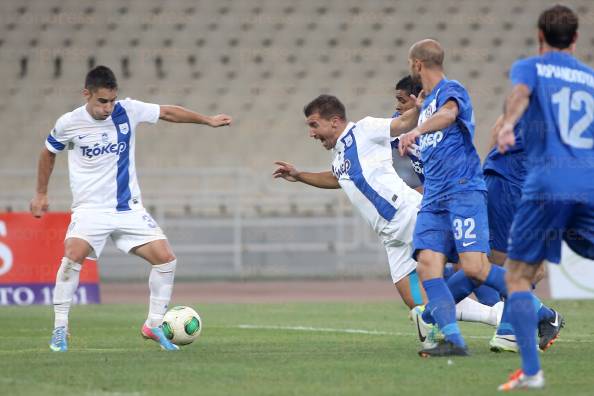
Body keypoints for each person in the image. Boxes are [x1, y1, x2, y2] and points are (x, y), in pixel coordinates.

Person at [273, 95, 502, 350]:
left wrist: (418, 109)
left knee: (470, 267)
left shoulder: (365, 129)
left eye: (314, 125)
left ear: (335, 121)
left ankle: (527, 312)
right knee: (419, 301)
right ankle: (499, 317)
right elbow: (337, 178)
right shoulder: (339, 157)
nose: (311, 133)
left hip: (408, 216)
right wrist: (300, 175)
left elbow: (402, 123)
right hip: (391, 237)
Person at [30, 65, 232, 352]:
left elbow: (167, 112)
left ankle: (153, 324)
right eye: (102, 101)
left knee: (166, 259)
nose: (109, 107)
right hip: (91, 209)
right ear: (87, 94)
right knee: (73, 255)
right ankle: (60, 329)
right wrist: (40, 193)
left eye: (112, 100)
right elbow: (48, 152)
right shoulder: (69, 123)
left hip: (128, 209)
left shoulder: (128, 110)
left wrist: (208, 120)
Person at [495, 5, 594, 390]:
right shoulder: (589, 78)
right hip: (588, 183)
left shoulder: (531, 67)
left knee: (517, 276)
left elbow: (520, 94)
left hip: (548, 183)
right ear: (575, 38)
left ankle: (532, 372)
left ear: (540, 35)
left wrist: (507, 124)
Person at [397, 39, 511, 357]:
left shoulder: (452, 89)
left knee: (474, 268)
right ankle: (451, 339)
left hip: (462, 189)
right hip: (434, 196)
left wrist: (415, 132)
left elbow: (449, 114)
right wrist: (417, 115)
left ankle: (540, 313)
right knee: (427, 264)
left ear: (417, 64)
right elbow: (431, 115)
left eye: (410, 64)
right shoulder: (425, 103)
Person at [484, 115, 563, 354]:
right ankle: (540, 317)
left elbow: (498, 128)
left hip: (494, 181)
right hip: (523, 189)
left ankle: (513, 327)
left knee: (485, 264)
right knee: (531, 268)